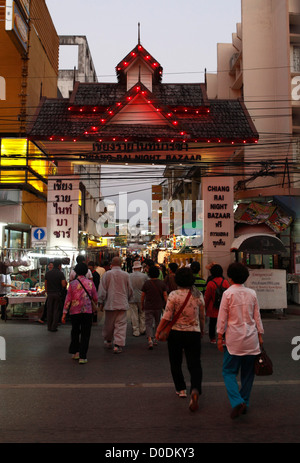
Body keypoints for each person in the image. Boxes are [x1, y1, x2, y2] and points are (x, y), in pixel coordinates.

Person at [216, 262, 264, 419]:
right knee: (248, 374)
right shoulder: (252, 293)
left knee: (228, 371)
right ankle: (245, 402)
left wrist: (219, 336)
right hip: (251, 339)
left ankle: (237, 401)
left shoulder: (228, 294)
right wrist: (260, 335)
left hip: (234, 340)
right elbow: (257, 316)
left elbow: (222, 317)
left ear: (229, 277)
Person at [155, 267, 205, 412]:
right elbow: (202, 315)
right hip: (193, 332)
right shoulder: (198, 295)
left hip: (176, 333)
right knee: (194, 363)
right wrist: (202, 330)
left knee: (175, 362)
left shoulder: (174, 295)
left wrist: (158, 330)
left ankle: (181, 389)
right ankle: (195, 389)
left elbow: (167, 316)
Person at [62, 262, 98, 364]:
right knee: (85, 334)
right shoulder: (90, 283)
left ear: (76, 272)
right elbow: (95, 297)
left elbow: (68, 299)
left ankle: (76, 352)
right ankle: (83, 356)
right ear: (86, 272)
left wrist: (64, 313)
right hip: (87, 312)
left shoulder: (72, 284)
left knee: (75, 331)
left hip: (75, 311)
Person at [98, 257, 133, 354]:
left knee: (109, 324)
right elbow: (130, 289)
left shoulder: (107, 274)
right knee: (121, 324)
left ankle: (108, 341)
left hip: (110, 303)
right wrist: (129, 299)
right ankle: (118, 345)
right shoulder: (126, 275)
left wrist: (101, 301)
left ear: (111, 264)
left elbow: (102, 290)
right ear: (121, 264)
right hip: (122, 303)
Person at [141, 266, 168, 350]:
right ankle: (156, 338)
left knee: (148, 323)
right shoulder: (162, 283)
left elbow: (143, 296)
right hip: (158, 306)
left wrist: (142, 304)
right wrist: (167, 305)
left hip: (148, 306)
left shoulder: (147, 283)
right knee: (157, 322)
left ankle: (150, 339)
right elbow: (165, 295)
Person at [204, 264, 229, 344]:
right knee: (224, 322)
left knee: (212, 323)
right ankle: (223, 338)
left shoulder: (211, 283)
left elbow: (207, 296)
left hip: (213, 307)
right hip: (223, 306)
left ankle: (213, 338)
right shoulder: (225, 282)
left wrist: (205, 306)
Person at [44, 259, 67, 332]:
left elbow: (46, 285)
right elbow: (63, 285)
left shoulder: (48, 273)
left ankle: (49, 326)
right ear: (59, 266)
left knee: (49, 310)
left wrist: (47, 292)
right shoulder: (61, 274)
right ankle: (54, 327)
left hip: (50, 294)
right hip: (57, 294)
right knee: (56, 310)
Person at [129, 260, 148, 336]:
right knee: (142, 313)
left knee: (134, 314)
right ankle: (142, 329)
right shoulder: (144, 276)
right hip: (142, 298)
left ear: (133, 268)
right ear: (140, 268)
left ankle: (135, 330)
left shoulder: (129, 276)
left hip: (132, 298)